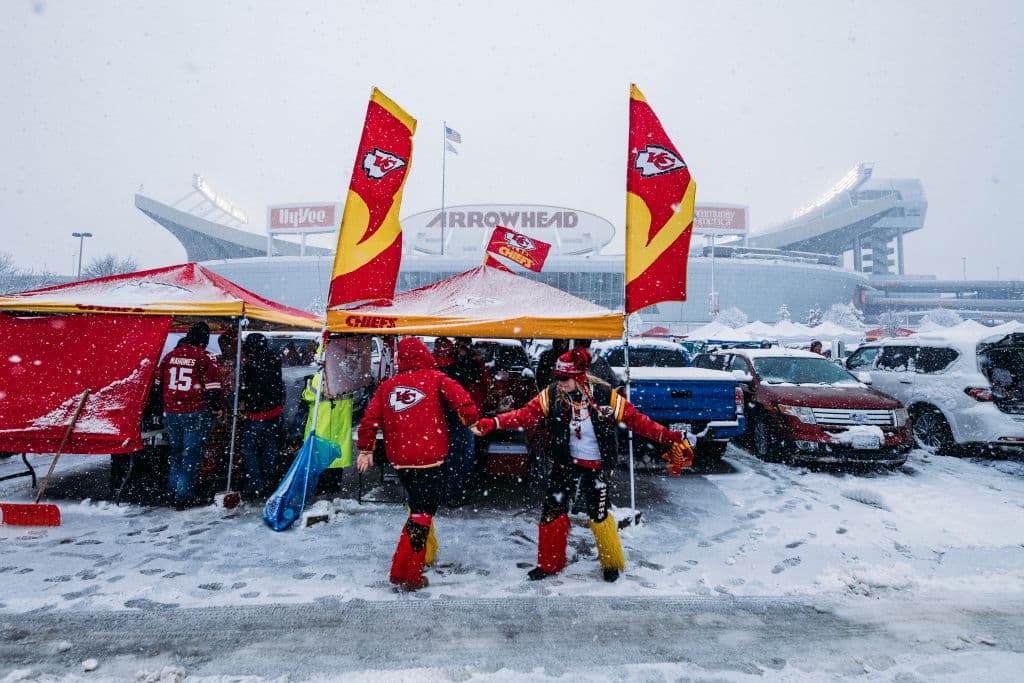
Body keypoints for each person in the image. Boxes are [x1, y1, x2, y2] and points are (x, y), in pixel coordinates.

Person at [472, 347, 692, 583]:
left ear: (578, 377)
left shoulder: (606, 396)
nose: (560, 383)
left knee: (598, 514)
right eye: (557, 378)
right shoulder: (552, 395)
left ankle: (611, 563)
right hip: (565, 463)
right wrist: (493, 422)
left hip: (597, 465)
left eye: (564, 379)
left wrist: (668, 437)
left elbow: (638, 421)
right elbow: (524, 415)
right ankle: (549, 563)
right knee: (552, 512)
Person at [356, 337, 480, 591]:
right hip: (430, 458)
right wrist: (471, 421)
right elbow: (464, 402)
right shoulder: (437, 379)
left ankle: (419, 558)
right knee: (423, 514)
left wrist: (367, 449)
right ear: (425, 354)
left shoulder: (387, 386)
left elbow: (369, 420)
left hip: (401, 461)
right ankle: (405, 571)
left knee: (417, 508)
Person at [157, 321, 222, 510]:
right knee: (190, 456)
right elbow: (213, 388)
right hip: (195, 410)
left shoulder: (170, 356)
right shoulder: (204, 358)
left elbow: (158, 383)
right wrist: (216, 408)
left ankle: (172, 492)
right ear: (204, 338)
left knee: (176, 453)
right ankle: (183, 496)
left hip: (171, 411)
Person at [239, 333, 285, 500]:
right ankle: (269, 480)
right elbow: (278, 384)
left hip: (256, 413)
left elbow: (250, 388)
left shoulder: (251, 364)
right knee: (269, 447)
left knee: (249, 449)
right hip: (273, 410)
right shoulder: (274, 358)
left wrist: (245, 399)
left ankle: (256, 484)